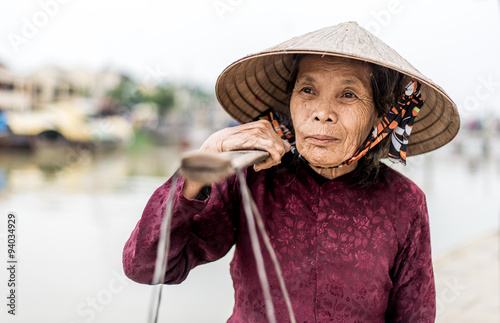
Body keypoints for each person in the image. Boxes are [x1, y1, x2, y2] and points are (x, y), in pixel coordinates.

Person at [123, 21, 460, 322]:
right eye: (308, 90)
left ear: (379, 118)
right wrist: (201, 165)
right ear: (291, 103)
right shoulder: (251, 177)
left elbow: (414, 316)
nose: (322, 113)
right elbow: (147, 267)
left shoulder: (405, 201)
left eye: (348, 94)